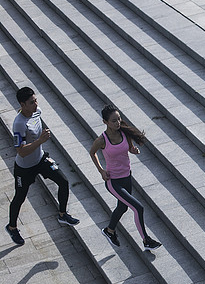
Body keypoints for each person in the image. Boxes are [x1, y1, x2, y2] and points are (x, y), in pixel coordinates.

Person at [6, 86, 79, 245]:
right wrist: (39, 141)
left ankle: (62, 214)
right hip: (24, 168)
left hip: (40, 160)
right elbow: (21, 151)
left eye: (35, 100)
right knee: (20, 197)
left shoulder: (37, 111)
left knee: (63, 181)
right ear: (22, 104)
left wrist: (40, 144)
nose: (35, 104)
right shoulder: (19, 124)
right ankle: (12, 227)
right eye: (31, 102)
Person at [88, 104, 161, 251]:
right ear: (105, 122)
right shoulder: (102, 140)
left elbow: (128, 147)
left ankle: (109, 231)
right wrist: (101, 171)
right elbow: (92, 153)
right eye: (114, 121)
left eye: (119, 119)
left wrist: (133, 150)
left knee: (122, 207)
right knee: (138, 208)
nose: (118, 123)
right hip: (113, 182)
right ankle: (146, 240)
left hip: (127, 177)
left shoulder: (124, 133)